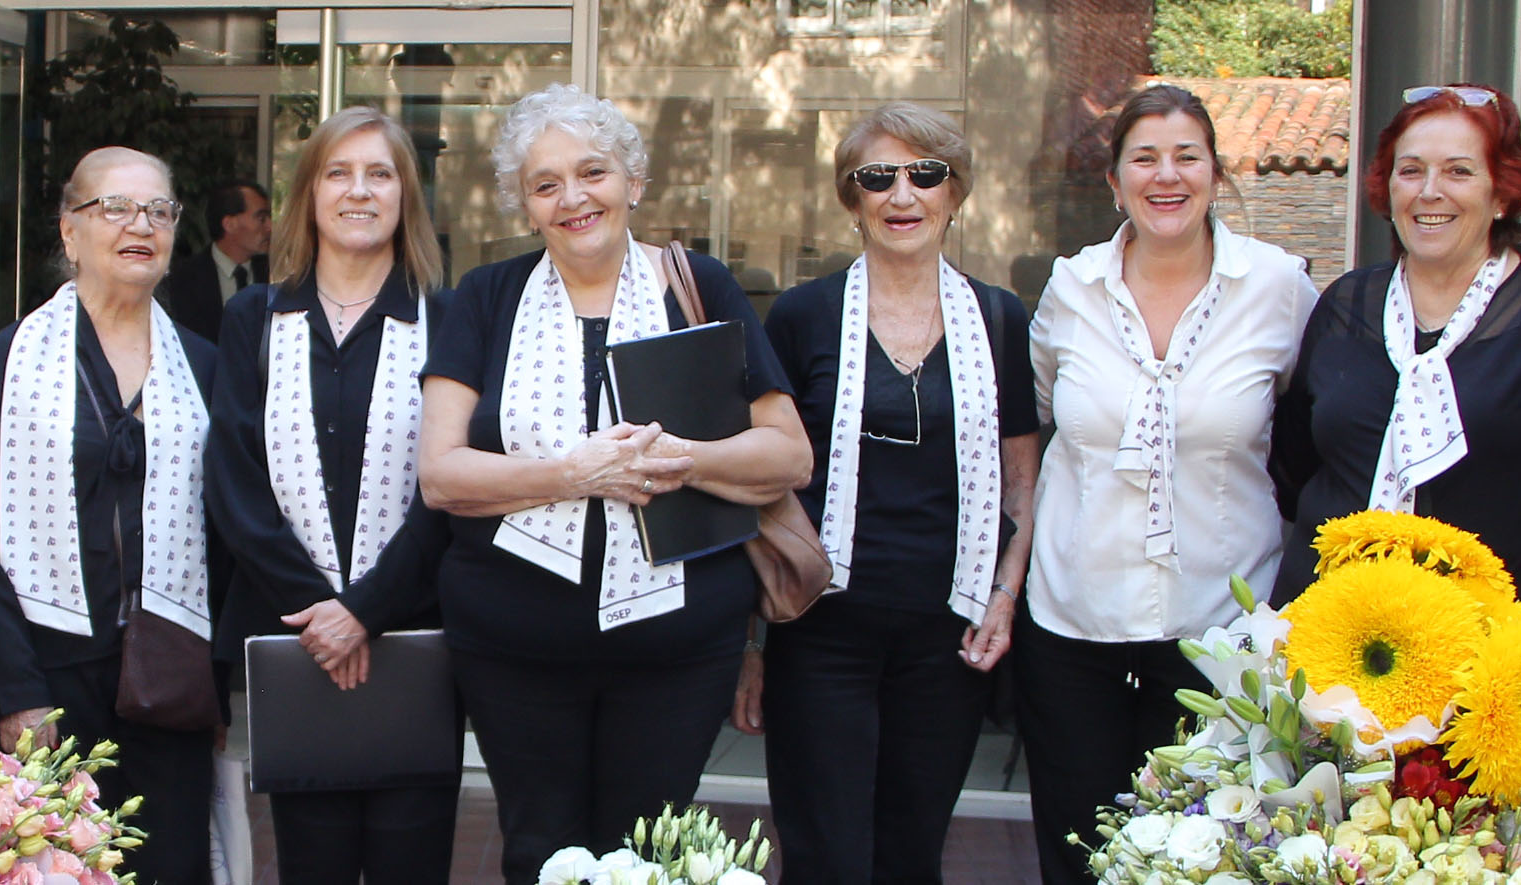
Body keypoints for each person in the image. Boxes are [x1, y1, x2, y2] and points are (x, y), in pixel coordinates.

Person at [417, 84, 811, 885]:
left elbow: (789, 456)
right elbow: (440, 474)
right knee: (540, 853)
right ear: (525, 205)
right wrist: (576, 473)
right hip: (513, 646)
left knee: (648, 857)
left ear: (634, 180)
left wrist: (681, 459)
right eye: (546, 183)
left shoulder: (700, 286)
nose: (573, 198)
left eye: (592, 172)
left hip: (678, 648)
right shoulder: (486, 296)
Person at [1273, 83, 1521, 804]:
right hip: (1342, 665)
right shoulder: (1346, 306)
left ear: (1501, 192)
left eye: (1459, 170)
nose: (1431, 191)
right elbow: (1298, 468)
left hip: (1502, 670)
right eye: (1411, 170)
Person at [1014, 85, 1319, 885]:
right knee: (1079, 856)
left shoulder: (1279, 287)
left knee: (1209, 861)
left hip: (1222, 636)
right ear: (1114, 182)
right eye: (1144, 158)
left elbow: (1317, 426)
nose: (1167, 175)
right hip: (1074, 626)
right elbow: (1038, 418)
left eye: (1187, 156)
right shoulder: (1070, 288)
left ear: (1217, 173)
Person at [756, 101, 1037, 884]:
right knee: (825, 855)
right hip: (821, 626)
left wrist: (1004, 595)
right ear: (853, 199)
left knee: (912, 853)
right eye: (877, 177)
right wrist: (752, 644)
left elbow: (1022, 480)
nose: (902, 195)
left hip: (947, 632)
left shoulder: (1000, 318)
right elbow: (762, 481)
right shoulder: (802, 315)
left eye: (925, 174)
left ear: (955, 192)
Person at [0, 146, 223, 885]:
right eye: (117, 208)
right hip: (50, 677)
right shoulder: (14, 360)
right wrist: (16, 690)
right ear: (70, 231)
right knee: (54, 868)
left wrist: (220, 679)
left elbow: (226, 532)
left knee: (171, 866)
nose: (142, 225)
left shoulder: (202, 364)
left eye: (159, 210)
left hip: (170, 677)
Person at [204, 108, 455, 885]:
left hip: (413, 639)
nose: (359, 190)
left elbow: (450, 487)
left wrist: (366, 609)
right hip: (298, 638)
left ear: (406, 195)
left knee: (412, 865)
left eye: (380, 174)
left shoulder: (446, 318)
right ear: (309, 194)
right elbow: (235, 479)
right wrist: (322, 612)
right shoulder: (254, 317)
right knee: (312, 863)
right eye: (338, 173)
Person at [160, 178, 270, 340]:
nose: (269, 227)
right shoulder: (181, 280)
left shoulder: (275, 275)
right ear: (229, 224)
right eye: (261, 219)